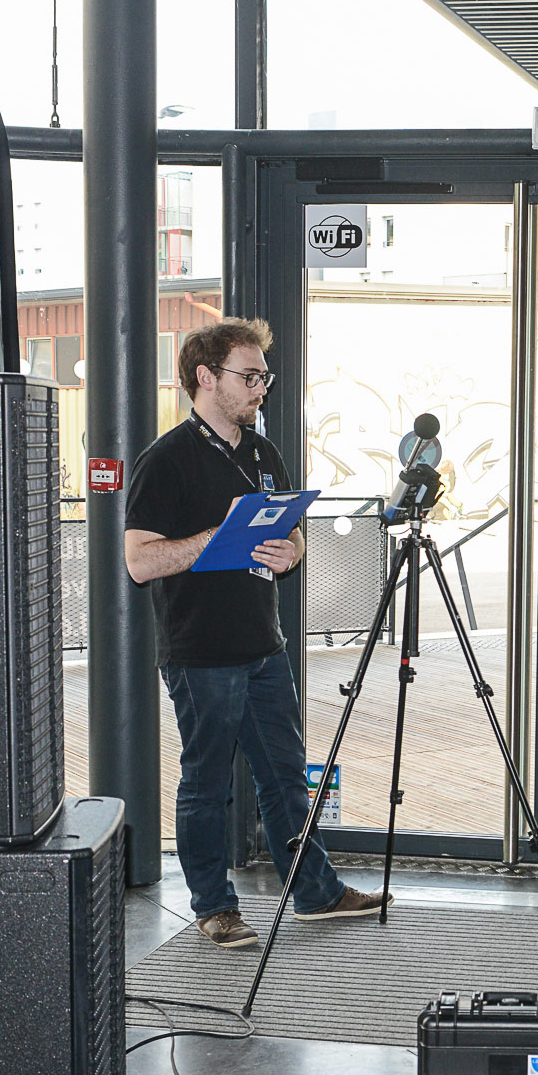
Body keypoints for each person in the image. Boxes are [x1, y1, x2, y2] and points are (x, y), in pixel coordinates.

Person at [124, 318, 391, 949]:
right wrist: (212, 540)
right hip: (200, 653)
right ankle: (215, 907)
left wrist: (291, 551)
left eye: (263, 377)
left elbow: (292, 534)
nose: (260, 389)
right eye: (249, 377)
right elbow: (139, 562)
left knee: (286, 778)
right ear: (205, 377)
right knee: (206, 785)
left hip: (264, 646)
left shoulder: (263, 453)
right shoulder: (165, 459)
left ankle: (317, 893)